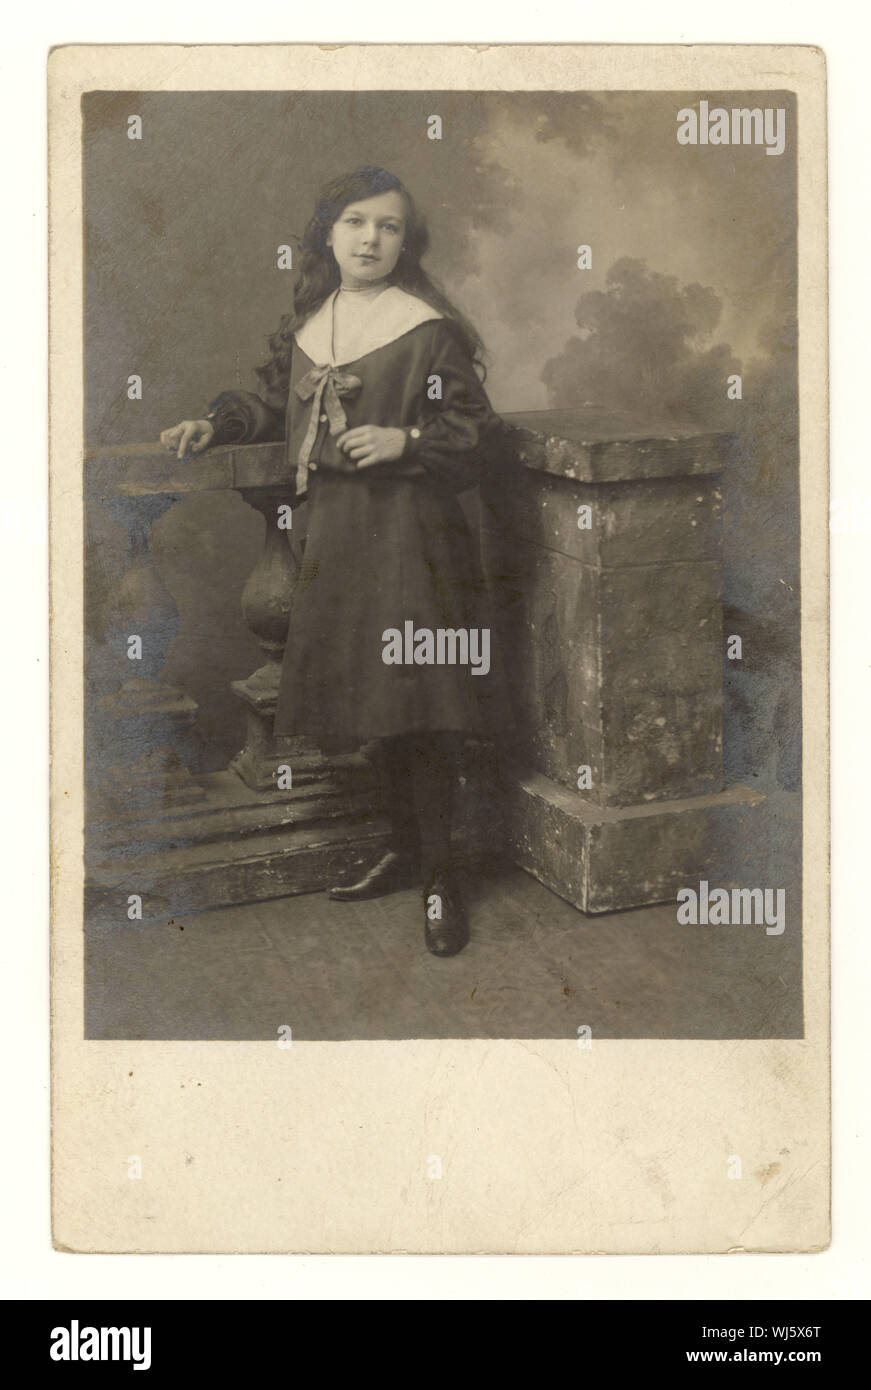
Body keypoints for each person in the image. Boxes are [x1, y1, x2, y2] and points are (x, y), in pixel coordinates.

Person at [160, 166, 508, 957]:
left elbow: (476, 432)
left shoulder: (424, 328)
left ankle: (444, 878)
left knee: (420, 704)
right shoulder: (313, 321)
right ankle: (404, 846)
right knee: (371, 701)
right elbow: (271, 399)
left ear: (404, 242)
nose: (370, 239)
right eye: (355, 222)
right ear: (328, 232)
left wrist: (406, 440)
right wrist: (215, 424)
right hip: (341, 536)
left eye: (388, 227)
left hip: (413, 538)